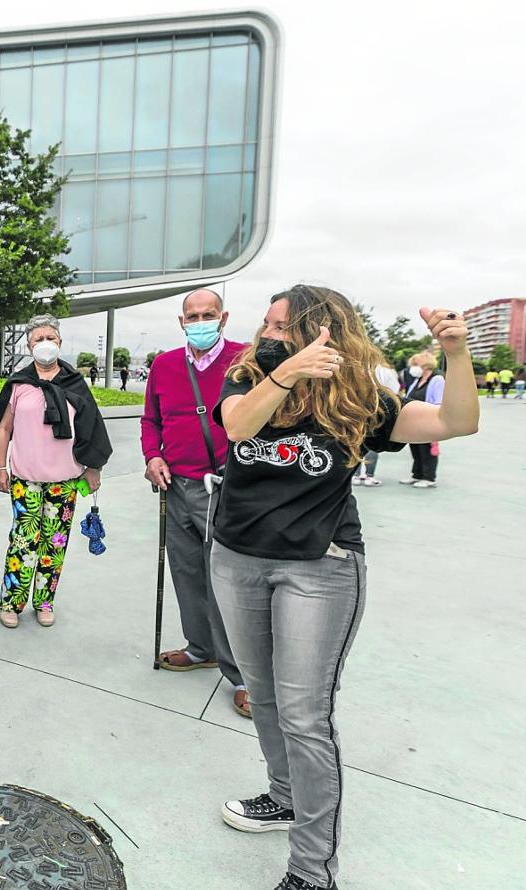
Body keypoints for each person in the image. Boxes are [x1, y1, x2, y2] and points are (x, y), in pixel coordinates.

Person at [210, 284, 478, 890]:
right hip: (238, 559)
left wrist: (457, 353)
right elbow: (236, 426)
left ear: (320, 332)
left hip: (318, 568)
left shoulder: (359, 398)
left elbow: (455, 421)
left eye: (283, 327)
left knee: (305, 715)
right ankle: (282, 797)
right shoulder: (248, 374)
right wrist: (284, 374)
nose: (268, 334)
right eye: (268, 323)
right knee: (264, 694)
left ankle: (311, 871)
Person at [140, 288, 249, 718]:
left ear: (223, 318)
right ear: (181, 321)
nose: (200, 320)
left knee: (228, 583)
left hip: (227, 487)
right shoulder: (165, 365)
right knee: (185, 573)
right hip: (176, 485)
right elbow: (151, 419)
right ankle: (201, 646)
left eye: (209, 314)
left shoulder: (245, 360)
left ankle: (243, 675)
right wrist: (153, 455)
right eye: (192, 315)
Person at [0, 315, 112, 627]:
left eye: (50, 338)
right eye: (37, 339)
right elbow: (2, 429)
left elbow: (92, 428)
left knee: (54, 544)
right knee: (23, 541)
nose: (44, 344)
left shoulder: (75, 384)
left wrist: (92, 468)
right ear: (29, 346)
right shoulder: (18, 384)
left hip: (65, 481)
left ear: (59, 342)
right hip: (24, 479)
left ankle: (44, 602)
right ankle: (11, 603)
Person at [398, 352, 445, 489]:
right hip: (414, 423)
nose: (412, 368)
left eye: (415, 364)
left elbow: (439, 402)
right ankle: (417, 475)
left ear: (425, 365)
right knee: (416, 449)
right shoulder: (417, 381)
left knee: (427, 450)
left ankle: (429, 477)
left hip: (428, 422)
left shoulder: (437, 380)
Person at [354, 362, 402, 487]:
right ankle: (368, 474)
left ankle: (357, 474)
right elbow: (394, 390)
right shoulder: (387, 372)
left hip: (364, 407)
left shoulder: (365, 369)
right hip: (379, 409)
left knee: (358, 443)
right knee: (371, 443)